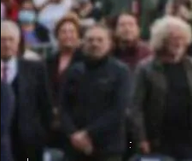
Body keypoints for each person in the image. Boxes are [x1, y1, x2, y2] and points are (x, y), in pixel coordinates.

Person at [131, 16, 192, 159]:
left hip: (188, 138)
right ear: (162, 41)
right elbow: (136, 107)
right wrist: (141, 138)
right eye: (173, 38)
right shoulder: (146, 69)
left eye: (182, 38)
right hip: (158, 138)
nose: (178, 42)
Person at [58, 24, 133, 161]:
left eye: (100, 40)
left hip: (108, 148)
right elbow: (63, 107)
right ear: (83, 43)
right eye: (90, 40)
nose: (95, 44)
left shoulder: (121, 71)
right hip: (74, 147)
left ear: (110, 44)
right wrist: (73, 134)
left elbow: (119, 110)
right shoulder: (73, 71)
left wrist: (87, 134)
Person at [1, 19, 54, 161]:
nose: (6, 44)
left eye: (10, 39)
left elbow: (45, 105)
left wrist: (43, 136)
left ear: (18, 42)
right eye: (2, 40)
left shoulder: (36, 68)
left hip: (28, 144)